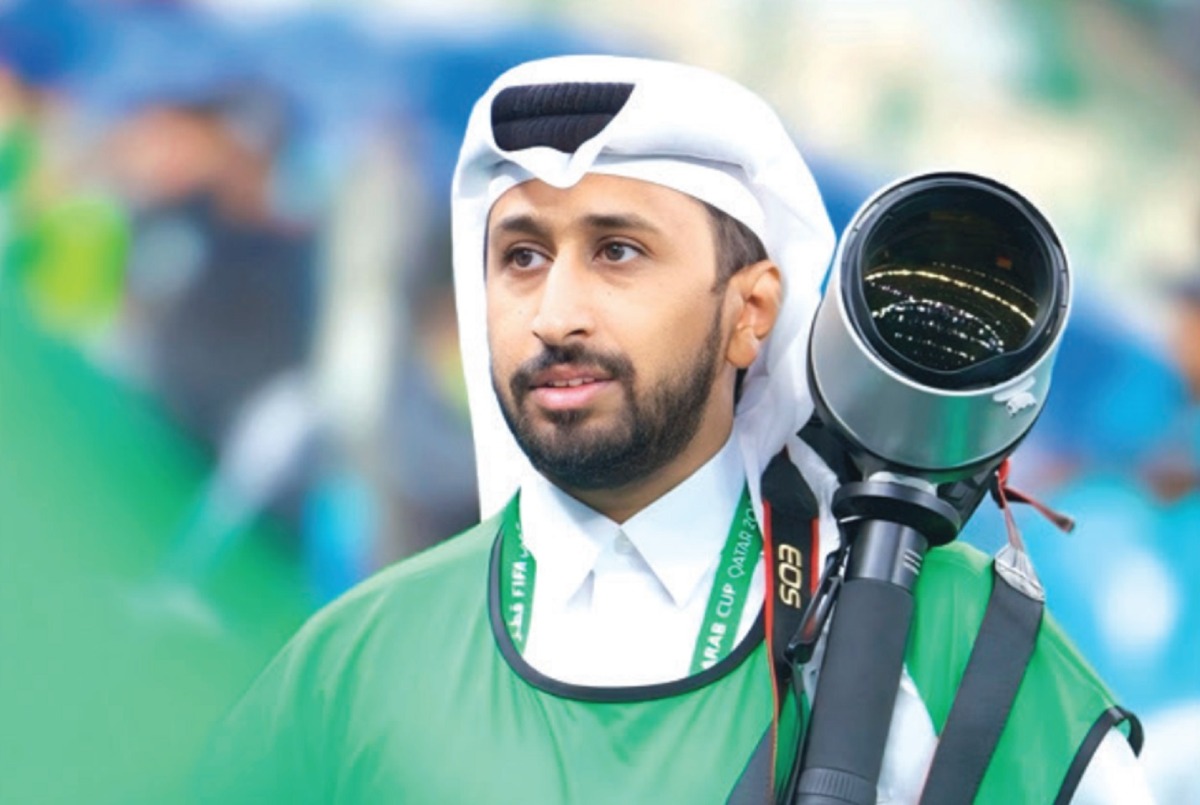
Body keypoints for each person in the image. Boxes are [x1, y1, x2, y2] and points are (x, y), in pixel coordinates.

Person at [192, 55, 1150, 804]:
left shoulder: (947, 637)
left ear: (751, 311)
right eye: (521, 256)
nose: (555, 314)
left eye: (617, 251)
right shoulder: (357, 657)